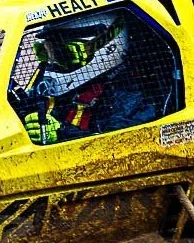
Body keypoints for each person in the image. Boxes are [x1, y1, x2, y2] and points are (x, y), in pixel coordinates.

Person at [18, 10, 157, 144]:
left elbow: (119, 147)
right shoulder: (50, 86)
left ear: (107, 48)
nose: (51, 61)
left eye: (62, 54)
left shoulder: (128, 97)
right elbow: (31, 107)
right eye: (45, 52)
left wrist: (62, 133)